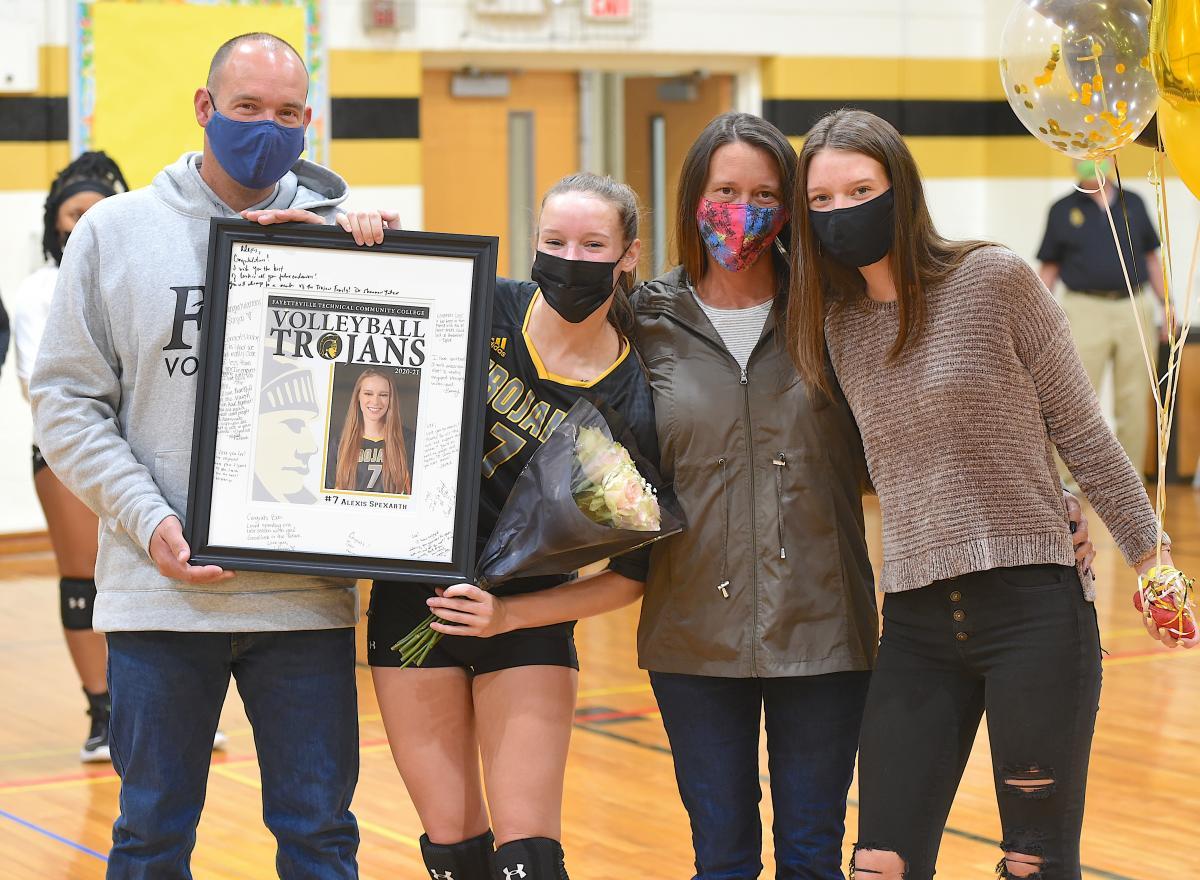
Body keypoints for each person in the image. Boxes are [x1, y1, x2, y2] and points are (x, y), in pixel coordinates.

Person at [629, 111, 1095, 880]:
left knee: (817, 857)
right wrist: (364, 233)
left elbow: (944, 421)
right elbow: (537, 345)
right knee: (721, 858)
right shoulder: (643, 318)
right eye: (723, 190)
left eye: (764, 193)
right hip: (692, 633)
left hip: (824, 627)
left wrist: (1056, 495)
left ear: (791, 210)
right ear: (691, 199)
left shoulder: (832, 313)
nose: (741, 210)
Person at [787, 108, 1195, 880]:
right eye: (822, 200)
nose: (841, 211)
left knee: (1031, 862)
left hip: (1033, 614)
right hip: (913, 620)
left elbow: (1081, 429)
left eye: (861, 189)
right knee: (879, 861)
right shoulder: (834, 325)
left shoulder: (994, 279)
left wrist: (1151, 558)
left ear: (900, 190)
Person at [30, 33, 368, 877]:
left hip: (304, 601)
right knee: (149, 836)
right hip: (159, 600)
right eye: (247, 108)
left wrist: (374, 255)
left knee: (321, 836)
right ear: (205, 109)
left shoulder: (342, 236)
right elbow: (66, 404)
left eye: (288, 113)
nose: (267, 128)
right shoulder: (114, 232)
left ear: (308, 121)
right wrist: (148, 522)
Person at [361, 172, 656, 880]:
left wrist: (506, 617)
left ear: (629, 256)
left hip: (526, 618)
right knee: (455, 851)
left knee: (528, 858)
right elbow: (352, 303)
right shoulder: (479, 304)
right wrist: (357, 230)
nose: (570, 259)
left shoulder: (637, 395)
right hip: (413, 603)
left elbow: (629, 578)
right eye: (554, 241)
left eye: (592, 244)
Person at [12, 151, 129, 761]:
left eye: (97, 211)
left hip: (141, 446)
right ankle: (103, 711)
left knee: (144, 577)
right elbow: (46, 384)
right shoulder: (40, 290)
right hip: (68, 452)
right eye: (74, 212)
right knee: (83, 576)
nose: (85, 222)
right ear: (55, 222)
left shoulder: (138, 272)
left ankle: (147, 710)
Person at [1036, 158, 1167, 479]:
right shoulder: (1061, 210)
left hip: (1132, 307)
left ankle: (1129, 479)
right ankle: (1068, 482)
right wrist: (1035, 320)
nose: (1088, 163)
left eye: (1097, 156)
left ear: (1111, 160)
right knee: (1075, 399)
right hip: (1083, 309)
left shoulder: (1132, 203)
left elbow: (1151, 259)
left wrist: (1168, 306)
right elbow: (1048, 270)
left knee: (1134, 399)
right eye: (1080, 158)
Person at [330, 367, 412, 494]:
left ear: (391, 399)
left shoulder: (410, 441)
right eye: (368, 393)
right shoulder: (338, 444)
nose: (375, 401)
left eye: (383, 395)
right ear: (358, 396)